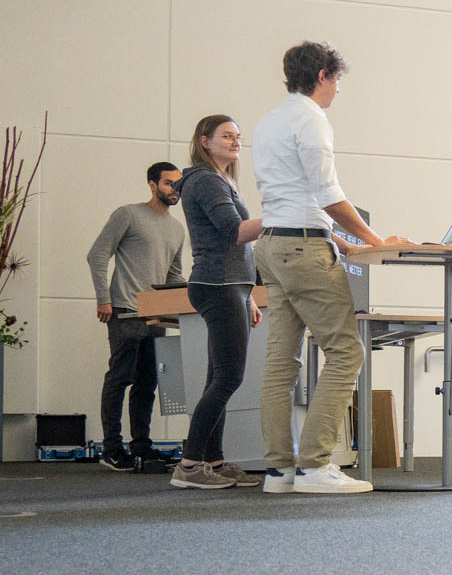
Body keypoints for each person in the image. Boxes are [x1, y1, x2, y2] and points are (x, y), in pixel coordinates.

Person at [253, 41, 409, 495]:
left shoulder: (268, 121)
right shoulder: (311, 119)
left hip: (273, 247)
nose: (338, 90)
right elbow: (327, 195)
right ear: (322, 75)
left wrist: (339, 242)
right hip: (303, 252)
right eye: (337, 80)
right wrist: (375, 241)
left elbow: (293, 202)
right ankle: (315, 466)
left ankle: (279, 471)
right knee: (346, 352)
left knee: (281, 363)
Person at [170, 116, 264, 490]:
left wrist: (249, 296)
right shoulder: (207, 180)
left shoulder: (223, 179)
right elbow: (235, 232)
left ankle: (215, 461)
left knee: (218, 378)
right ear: (204, 141)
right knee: (228, 378)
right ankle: (190, 466)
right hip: (218, 285)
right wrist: (281, 215)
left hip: (232, 287)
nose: (235, 141)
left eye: (238, 136)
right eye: (227, 136)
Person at [87, 162, 186, 473]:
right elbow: (97, 254)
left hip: (157, 317)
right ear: (152, 184)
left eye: (178, 185)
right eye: (169, 184)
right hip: (126, 310)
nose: (175, 190)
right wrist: (103, 298)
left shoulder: (177, 228)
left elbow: (174, 274)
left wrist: (178, 308)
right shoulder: (127, 214)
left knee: (148, 382)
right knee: (120, 378)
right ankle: (111, 448)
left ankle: (141, 446)